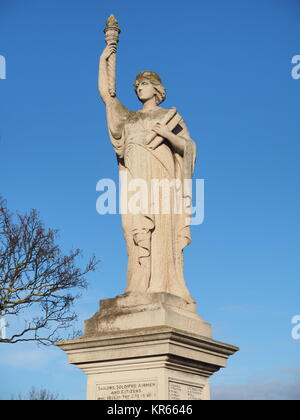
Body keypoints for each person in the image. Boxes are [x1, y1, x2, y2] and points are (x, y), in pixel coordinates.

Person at [98, 44, 196, 303]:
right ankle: (137, 285)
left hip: (161, 179)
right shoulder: (128, 118)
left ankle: (162, 285)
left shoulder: (169, 117)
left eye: (144, 83)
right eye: (137, 84)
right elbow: (107, 97)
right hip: (134, 180)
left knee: (161, 230)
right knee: (133, 229)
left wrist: (166, 135)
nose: (139, 87)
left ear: (157, 89)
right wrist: (105, 57)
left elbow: (189, 148)